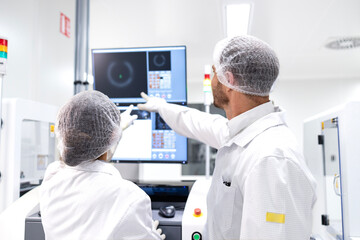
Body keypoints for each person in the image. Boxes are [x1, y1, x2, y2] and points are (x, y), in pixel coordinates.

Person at [138, 35, 317, 240]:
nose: (213, 80)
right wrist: (161, 106)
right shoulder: (242, 135)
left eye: (215, 72)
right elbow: (198, 122)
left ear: (229, 80)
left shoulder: (271, 158)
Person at [40, 90, 165, 240]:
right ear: (112, 137)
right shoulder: (129, 196)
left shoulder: (52, 179)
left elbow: (81, 164)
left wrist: (113, 132)